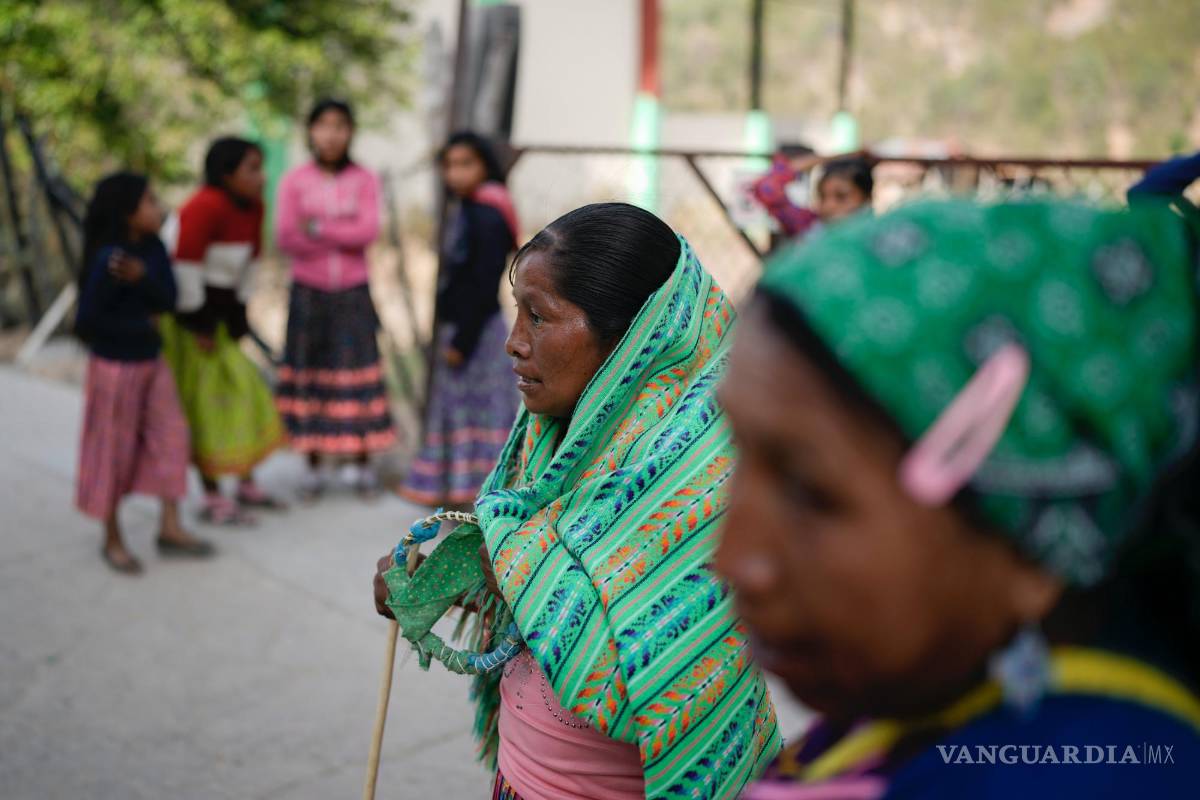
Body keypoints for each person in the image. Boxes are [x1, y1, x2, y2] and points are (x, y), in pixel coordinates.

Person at [715, 199, 1200, 798]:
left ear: (1033, 543)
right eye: (739, 458)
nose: (734, 560)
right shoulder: (923, 713)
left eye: (812, 494)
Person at [376, 203, 780, 799]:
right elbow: (544, 596)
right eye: (517, 313)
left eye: (539, 318)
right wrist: (434, 585)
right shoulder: (554, 441)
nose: (514, 343)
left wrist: (508, 567)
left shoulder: (707, 474)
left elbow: (649, 671)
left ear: (635, 336)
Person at [75, 172, 215, 574]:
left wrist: (143, 279)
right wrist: (138, 325)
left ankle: (170, 527)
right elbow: (87, 322)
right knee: (112, 451)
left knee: (172, 437)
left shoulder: (151, 249)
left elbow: (168, 299)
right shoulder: (109, 259)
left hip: (152, 362)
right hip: (116, 367)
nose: (159, 207)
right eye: (150, 201)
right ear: (127, 212)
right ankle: (112, 536)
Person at [159, 137, 287, 524]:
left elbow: (250, 265)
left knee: (243, 393)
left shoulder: (254, 208)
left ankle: (244, 479)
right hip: (190, 319)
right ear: (226, 174)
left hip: (221, 317)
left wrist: (238, 318)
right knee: (206, 406)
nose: (262, 177)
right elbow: (185, 270)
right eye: (252, 169)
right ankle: (213, 493)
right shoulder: (203, 206)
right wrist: (198, 323)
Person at [274, 98, 397, 499]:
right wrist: (338, 228)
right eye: (323, 125)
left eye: (340, 125)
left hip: (352, 293)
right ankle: (312, 466)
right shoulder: (294, 181)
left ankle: (361, 466)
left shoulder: (363, 179)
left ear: (351, 132)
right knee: (311, 373)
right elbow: (287, 236)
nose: (331, 134)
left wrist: (318, 225)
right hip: (308, 293)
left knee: (357, 372)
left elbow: (366, 232)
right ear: (310, 131)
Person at [399, 131, 521, 507]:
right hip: (469, 329)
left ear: (485, 167)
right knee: (466, 414)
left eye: (465, 163)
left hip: (477, 333)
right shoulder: (471, 207)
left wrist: (462, 340)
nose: (455, 173)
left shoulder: (485, 213)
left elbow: (483, 283)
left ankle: (478, 499)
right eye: (449, 165)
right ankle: (464, 497)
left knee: (478, 413)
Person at [750, 150, 874, 243]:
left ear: (867, 199)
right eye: (822, 196)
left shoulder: (881, 238)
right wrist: (842, 155)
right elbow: (766, 186)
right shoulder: (810, 228)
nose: (828, 206)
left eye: (841, 197)